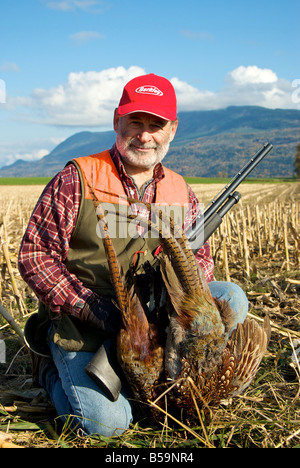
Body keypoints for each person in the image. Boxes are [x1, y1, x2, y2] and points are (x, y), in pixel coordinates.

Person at [18, 73, 248, 437]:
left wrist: (180, 305)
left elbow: (201, 261)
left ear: (172, 129)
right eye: (135, 123)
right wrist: (92, 309)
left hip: (157, 316)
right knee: (105, 424)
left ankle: (164, 379)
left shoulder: (179, 190)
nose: (145, 135)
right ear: (116, 121)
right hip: (89, 320)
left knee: (232, 298)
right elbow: (35, 256)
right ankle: (49, 368)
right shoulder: (79, 178)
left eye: (155, 125)